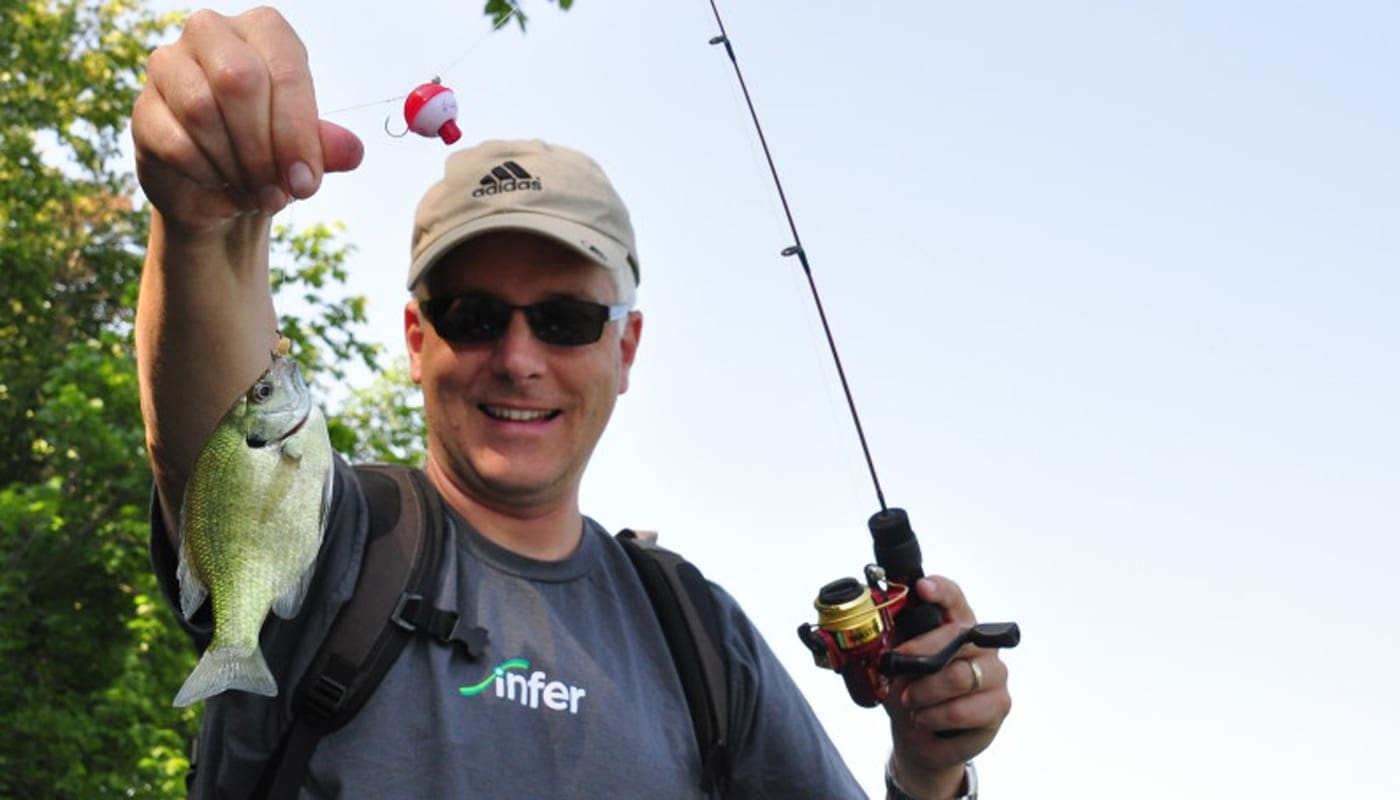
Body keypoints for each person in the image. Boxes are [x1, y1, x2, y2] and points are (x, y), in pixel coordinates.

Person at [132, 8, 1011, 799]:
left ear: (623, 349)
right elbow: (211, 430)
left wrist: (929, 772)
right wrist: (202, 228)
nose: (519, 359)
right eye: (473, 316)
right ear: (415, 340)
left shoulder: (699, 636)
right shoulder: (333, 540)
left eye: (565, 320)